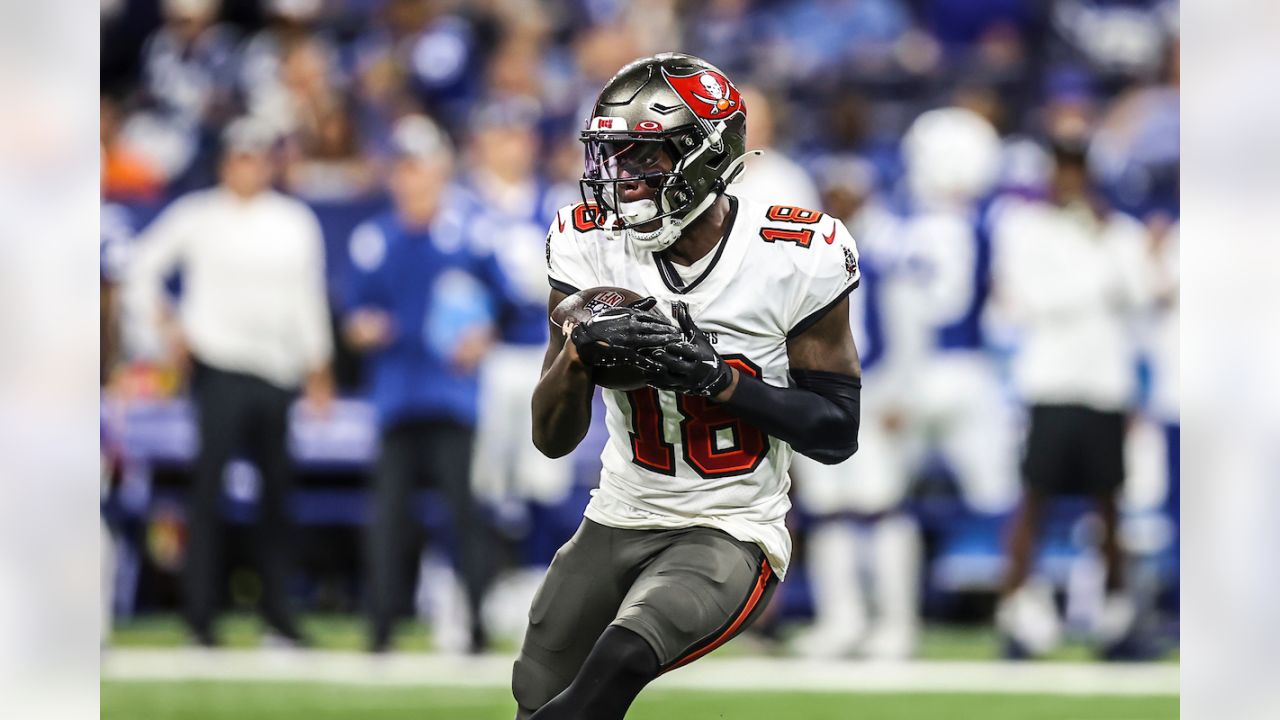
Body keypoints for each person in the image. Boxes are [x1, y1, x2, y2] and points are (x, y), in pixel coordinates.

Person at [516, 53, 862, 720]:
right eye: (613, 158)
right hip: (619, 509)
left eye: (644, 159)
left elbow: (836, 432)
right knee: (537, 690)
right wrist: (577, 358)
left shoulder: (793, 255)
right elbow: (551, 439)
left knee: (616, 664)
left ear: (704, 156)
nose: (622, 180)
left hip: (729, 524)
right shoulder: (587, 244)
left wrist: (715, 380)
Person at [123, 117, 335, 646]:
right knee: (206, 494)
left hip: (276, 372)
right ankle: (199, 616)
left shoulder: (294, 221)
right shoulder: (198, 216)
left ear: (268, 162)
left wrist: (319, 365)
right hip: (216, 366)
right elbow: (139, 266)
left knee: (276, 499)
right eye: (239, 156)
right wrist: (164, 328)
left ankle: (277, 616)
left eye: (256, 156)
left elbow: (308, 298)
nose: (247, 166)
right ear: (225, 162)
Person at [343, 114, 513, 654]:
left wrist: (483, 335)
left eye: (421, 167)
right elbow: (352, 315)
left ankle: (477, 628)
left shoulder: (469, 233)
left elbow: (508, 302)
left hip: (451, 393)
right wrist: (362, 329)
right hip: (395, 394)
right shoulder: (375, 239)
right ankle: (381, 630)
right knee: (388, 518)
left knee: (463, 516)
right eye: (405, 168)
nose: (413, 179)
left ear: (439, 171)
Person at [990, 135, 1158, 659]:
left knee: (1109, 506)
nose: (1070, 180)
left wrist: (1105, 250)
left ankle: (1116, 621)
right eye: (1062, 168)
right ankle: (1016, 615)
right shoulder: (1027, 228)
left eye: (1078, 169)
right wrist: (1097, 275)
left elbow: (1143, 292)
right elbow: (1032, 300)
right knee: (1034, 500)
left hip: (1105, 384)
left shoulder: (1117, 230)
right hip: (1051, 382)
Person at [790, 158, 922, 660]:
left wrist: (903, 394)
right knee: (828, 508)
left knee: (882, 506)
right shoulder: (806, 258)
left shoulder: (885, 250)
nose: (839, 200)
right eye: (833, 192)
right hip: (819, 390)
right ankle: (841, 621)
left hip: (876, 388)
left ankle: (897, 622)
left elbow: (910, 328)